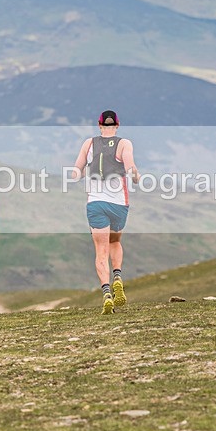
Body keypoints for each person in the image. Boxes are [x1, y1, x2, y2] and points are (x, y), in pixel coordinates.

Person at [72, 110, 140, 314]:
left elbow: (76, 172)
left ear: (99, 125)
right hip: (119, 203)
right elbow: (130, 169)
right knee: (115, 242)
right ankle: (118, 275)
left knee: (100, 251)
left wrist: (81, 174)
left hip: (95, 203)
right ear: (117, 125)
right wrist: (136, 176)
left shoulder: (89, 143)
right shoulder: (124, 144)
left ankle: (106, 293)